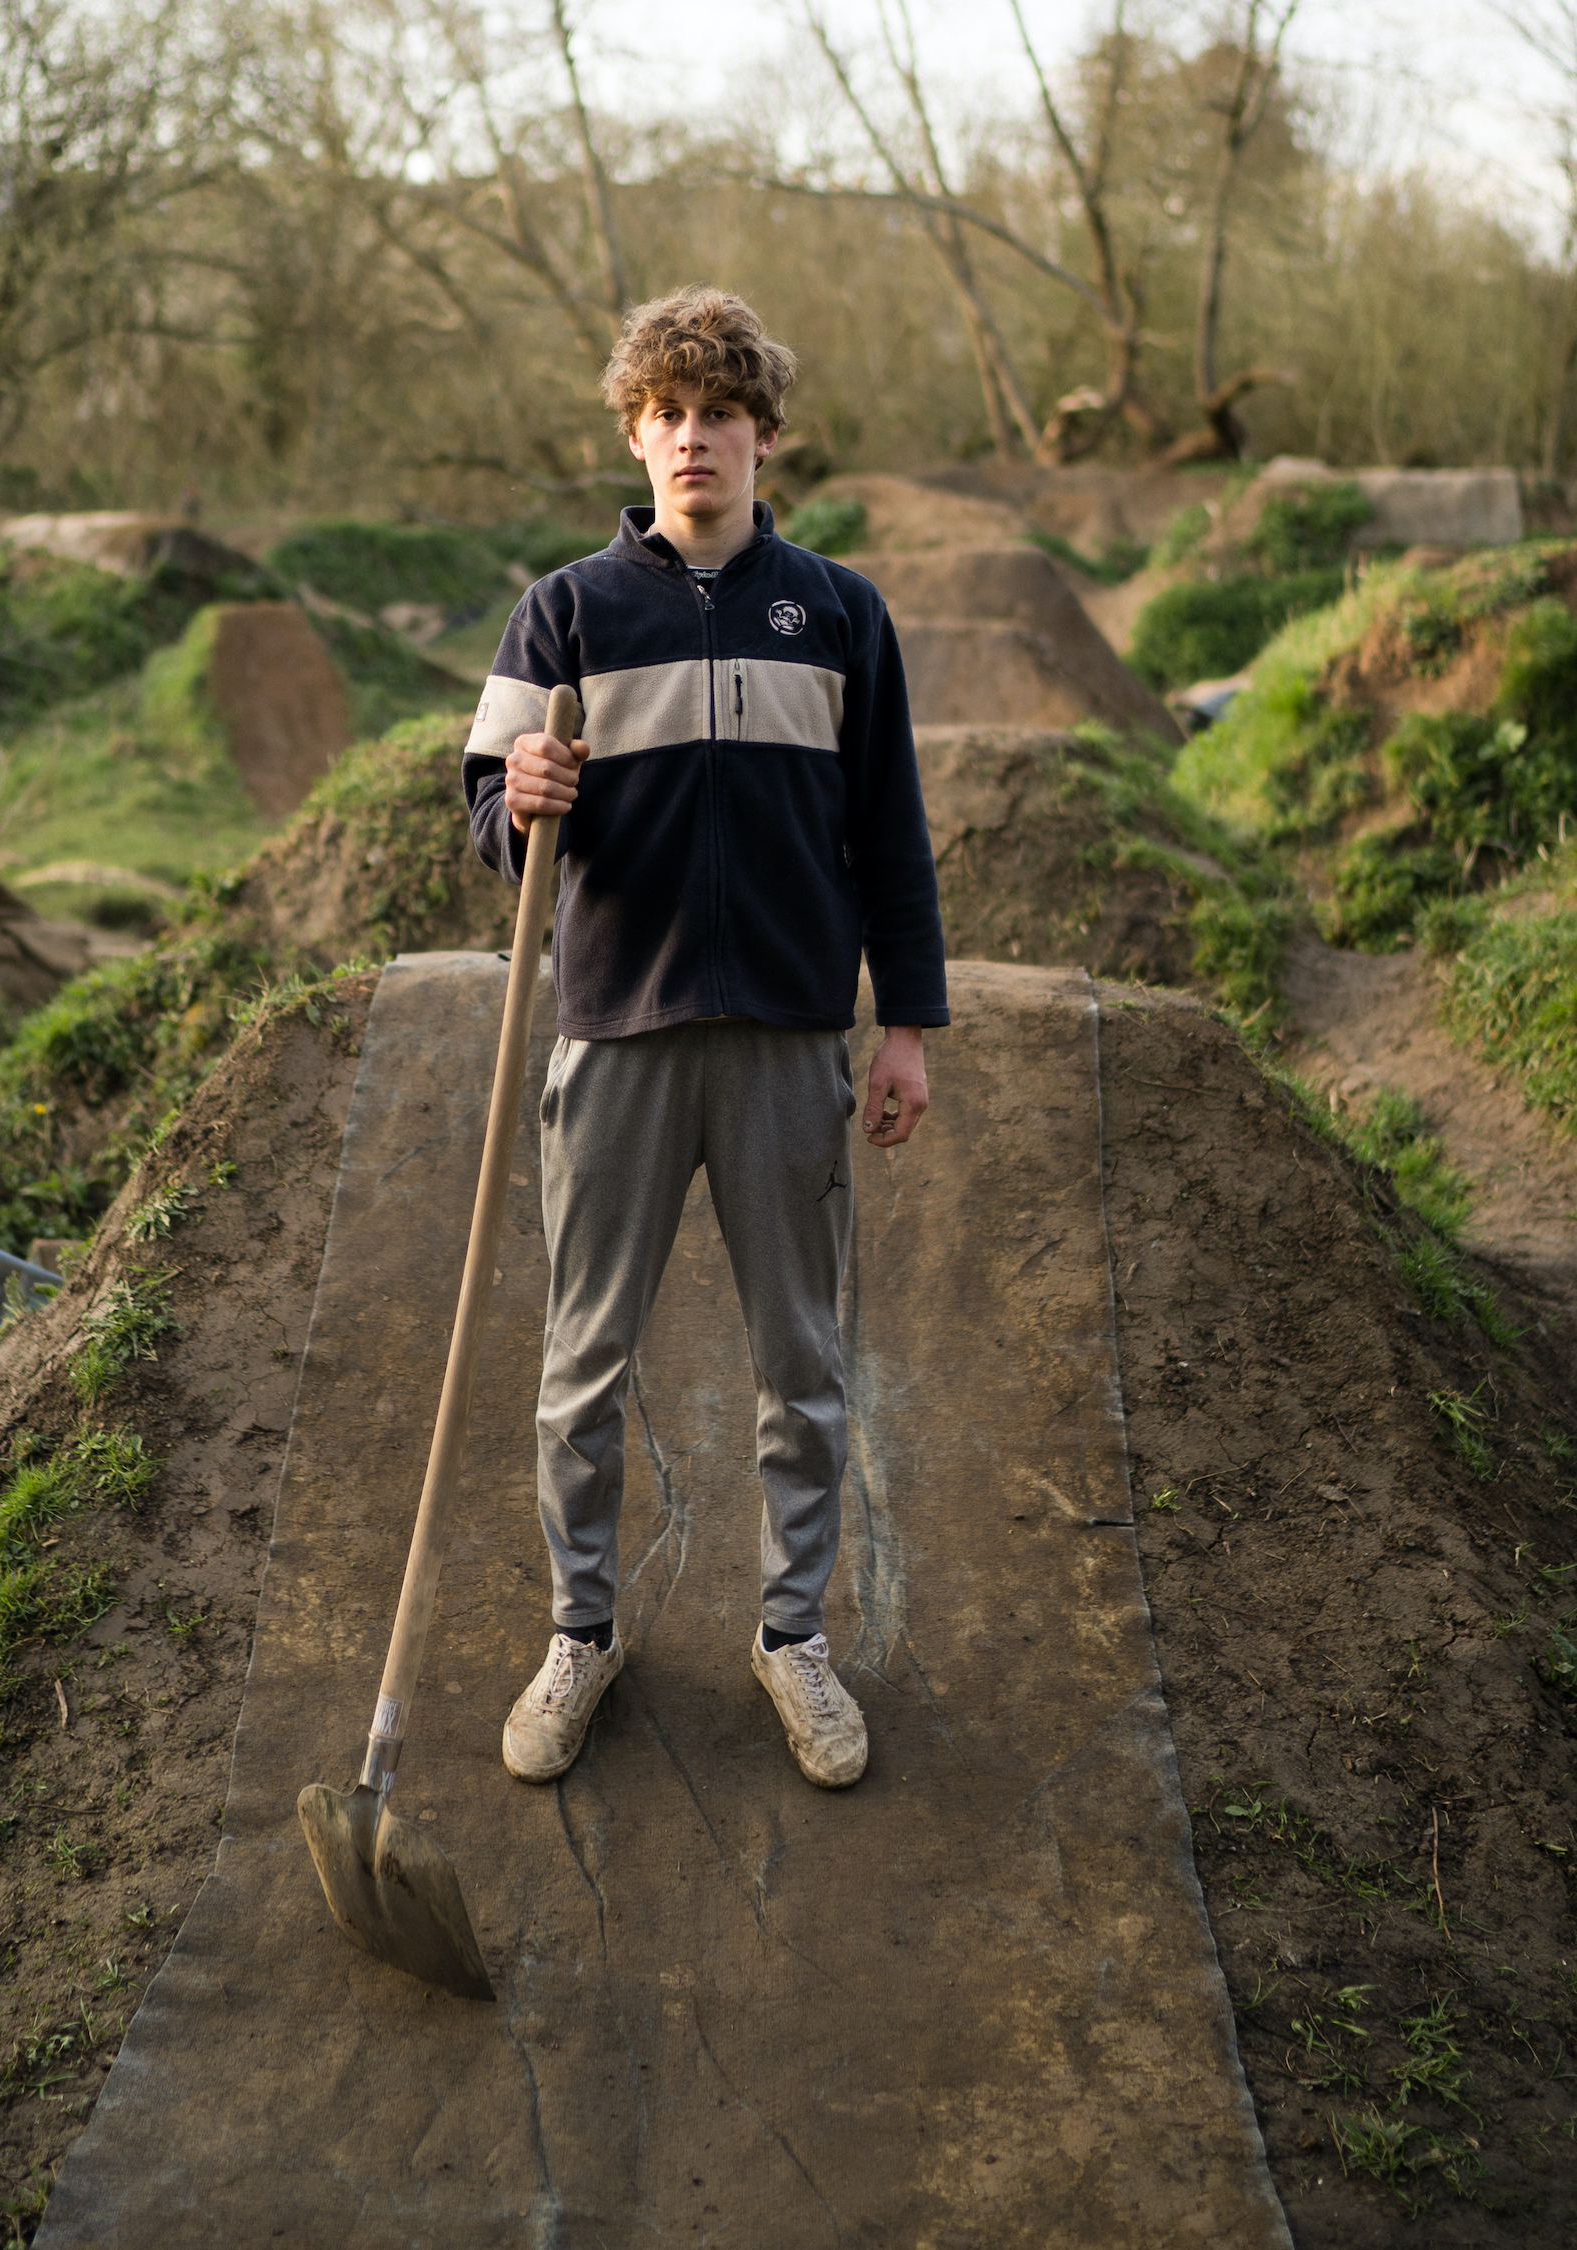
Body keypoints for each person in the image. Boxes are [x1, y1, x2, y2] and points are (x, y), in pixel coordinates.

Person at [462, 286, 947, 1792]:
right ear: (635, 433)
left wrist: (907, 1028)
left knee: (799, 1364)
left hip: (792, 1037)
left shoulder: (842, 612)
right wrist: (521, 790)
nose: (693, 438)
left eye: (719, 414)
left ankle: (794, 1634)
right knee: (581, 1365)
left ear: (763, 438)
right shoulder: (565, 613)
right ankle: (582, 1630)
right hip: (614, 1033)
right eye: (668, 414)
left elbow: (893, 838)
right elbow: (486, 810)